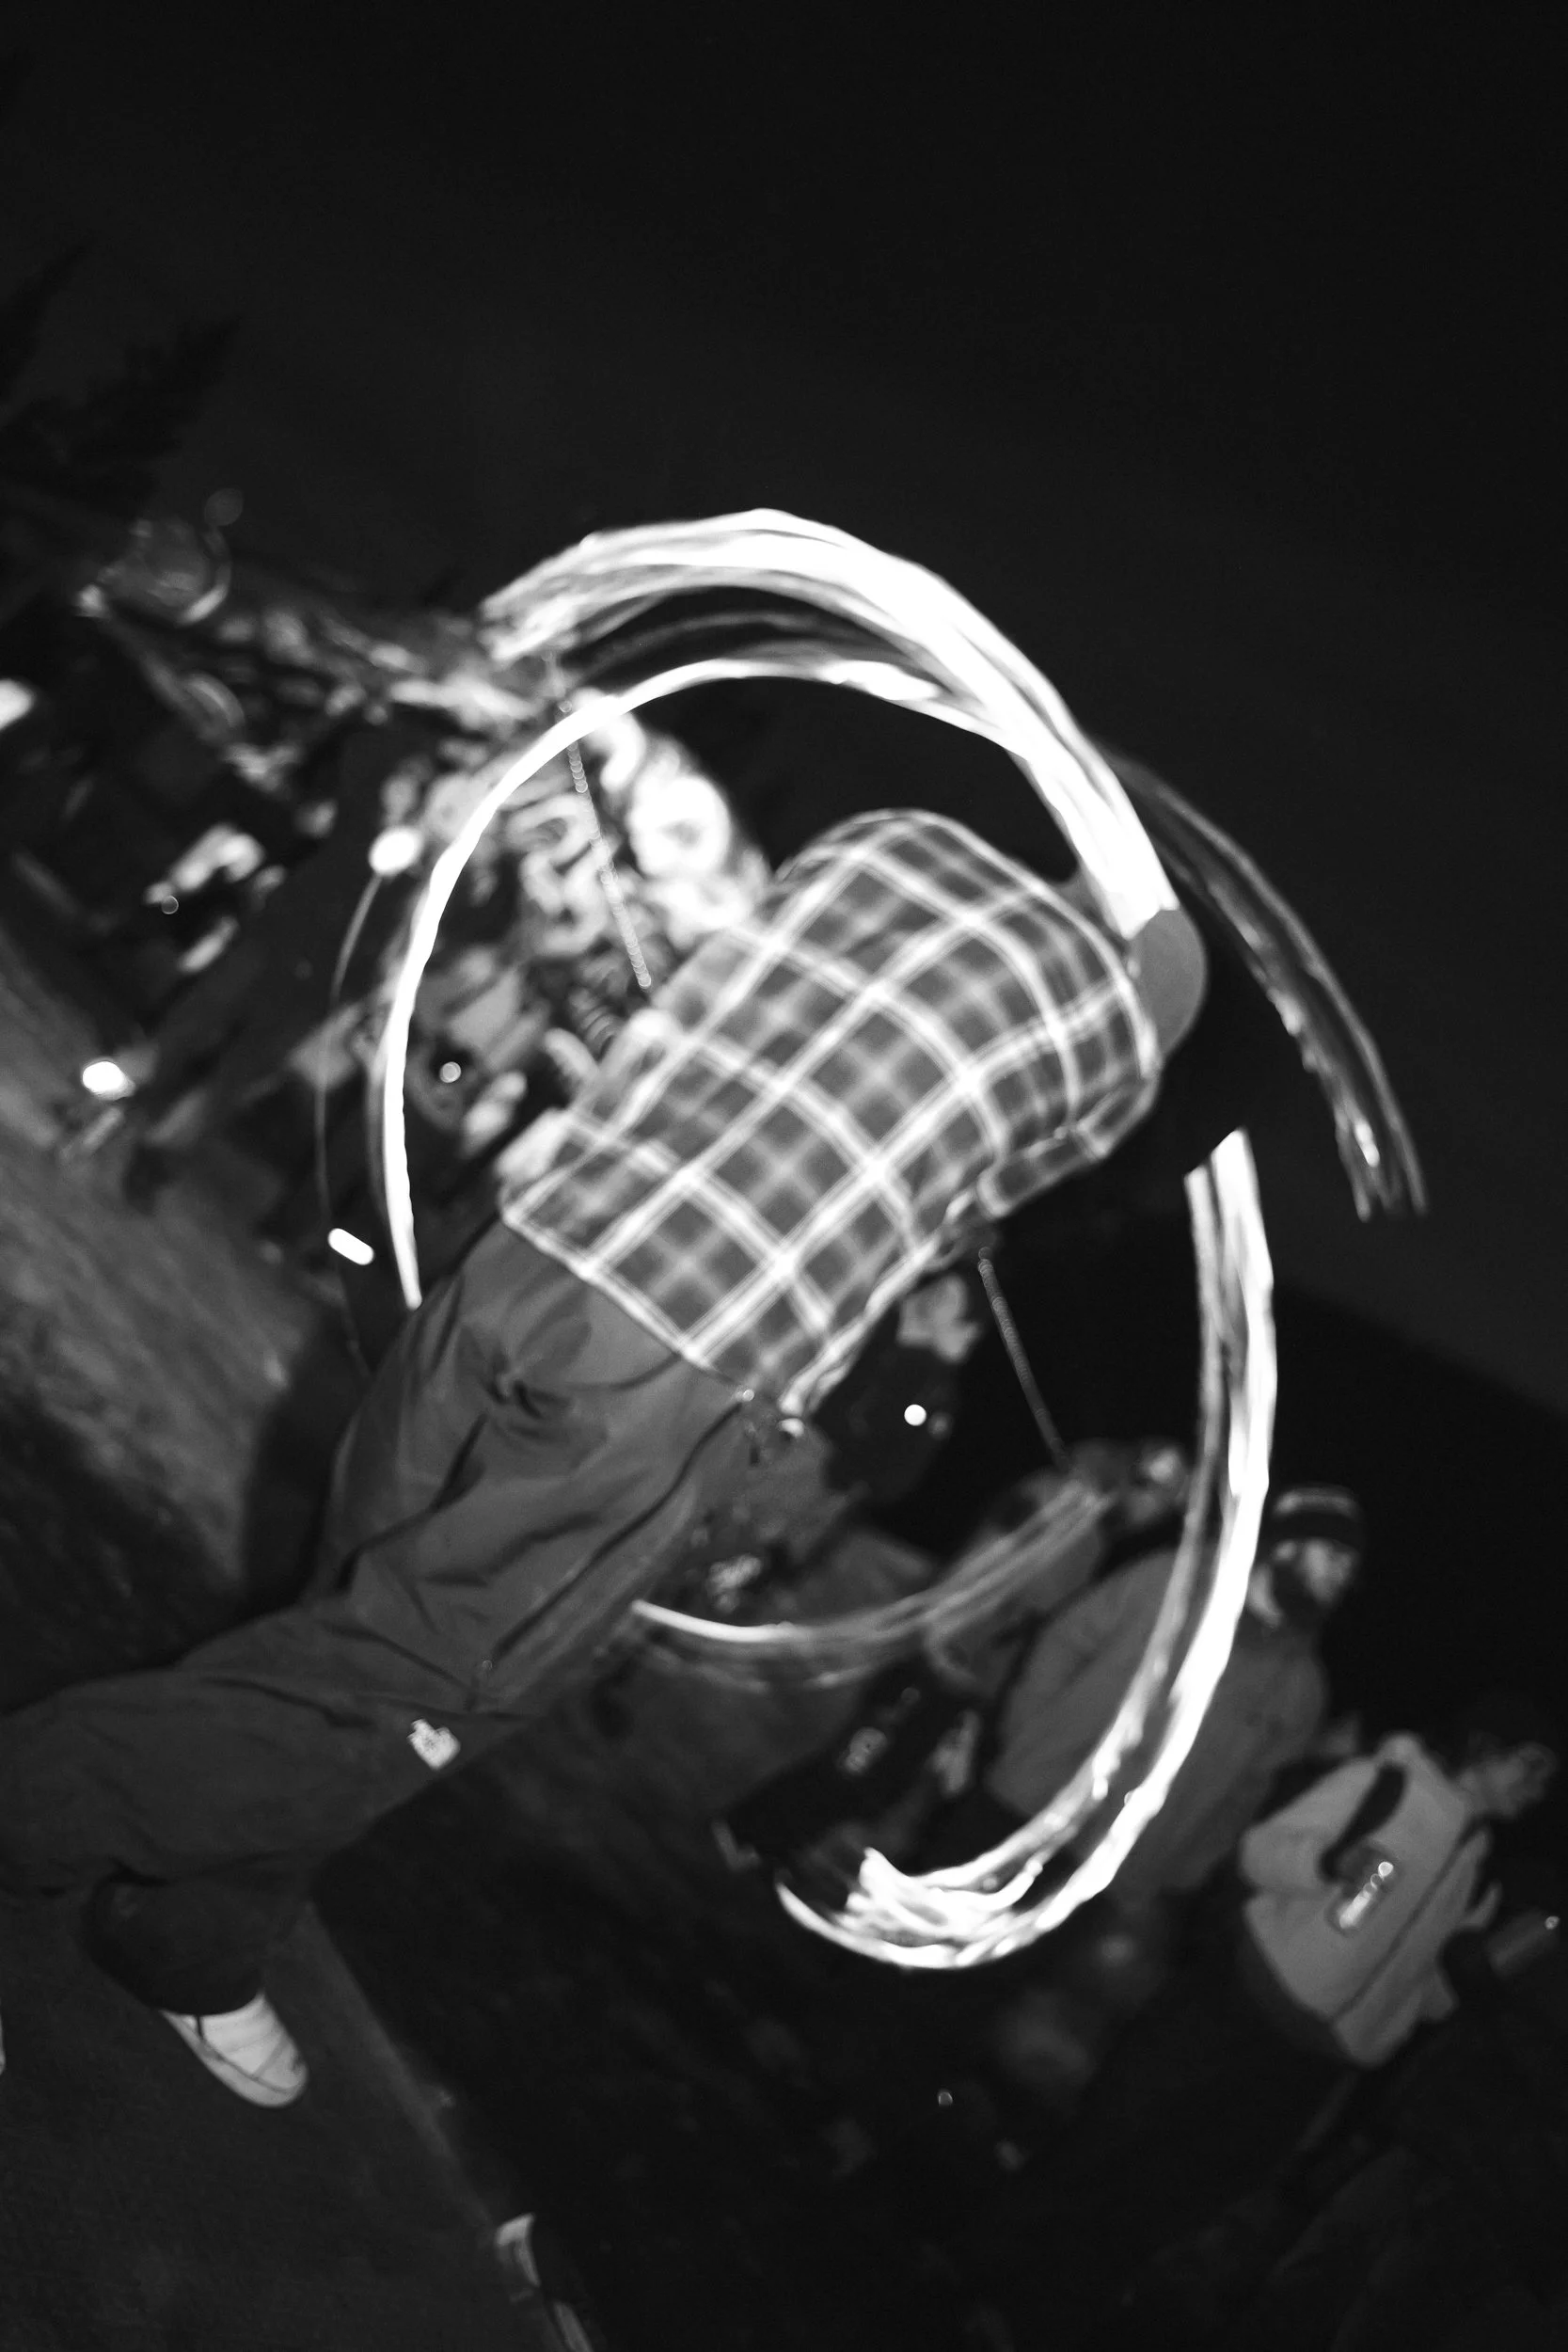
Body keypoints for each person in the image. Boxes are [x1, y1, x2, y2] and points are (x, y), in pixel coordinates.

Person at [0, 804, 1205, 2106]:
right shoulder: (1103, 1031)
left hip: (530, 1258)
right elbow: (996, 1186)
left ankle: (191, 1934)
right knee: (407, 1692)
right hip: (669, 1363)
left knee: (352, 1617)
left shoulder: (890, 842)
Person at [917, 1484, 1364, 1915]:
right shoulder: (1169, 1581)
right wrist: (1028, 1742)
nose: (1343, 1576)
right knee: (921, 1931)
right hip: (1022, 1809)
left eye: (1350, 1566)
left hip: (1107, 1873)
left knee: (1008, 1970)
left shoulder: (1302, 1688)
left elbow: (1247, 1793)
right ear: (1286, 1547)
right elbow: (1064, 1644)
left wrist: (1184, 1867)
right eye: (1334, 1556)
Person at [1237, 1688, 1560, 2068]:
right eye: (1530, 1764)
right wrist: (1326, 1862)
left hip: (1334, 2055)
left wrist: (1466, 1980)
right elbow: (1258, 1851)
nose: (1537, 1789)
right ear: (1484, 1746)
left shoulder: (1481, 1878)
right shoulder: (1386, 1786)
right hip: (1258, 1993)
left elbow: (1429, 1992)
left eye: (1546, 1780)